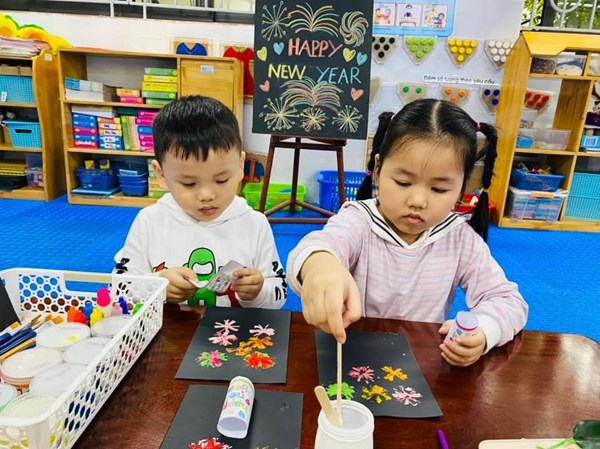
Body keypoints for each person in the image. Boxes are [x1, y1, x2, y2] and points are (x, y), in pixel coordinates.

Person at [287, 99, 528, 367]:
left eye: (439, 189)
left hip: (419, 364)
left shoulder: (459, 239)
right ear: (378, 170)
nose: (418, 201)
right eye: (403, 182)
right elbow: (320, 245)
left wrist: (484, 330)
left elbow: (508, 300)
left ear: (462, 188)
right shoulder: (359, 222)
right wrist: (320, 266)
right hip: (350, 355)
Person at [115, 95, 286, 309]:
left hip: (234, 328)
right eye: (189, 183)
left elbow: (279, 294)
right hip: (169, 328)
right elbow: (119, 290)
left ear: (240, 165)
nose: (206, 195)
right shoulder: (150, 221)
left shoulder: (254, 224)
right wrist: (157, 286)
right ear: (161, 174)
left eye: (221, 180)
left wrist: (258, 291)